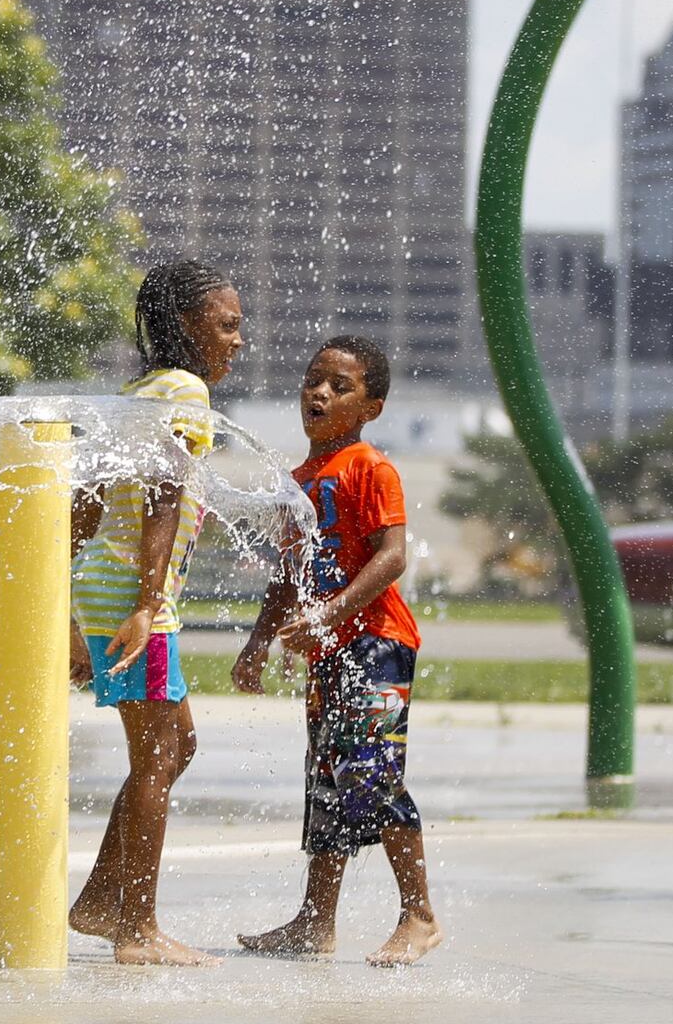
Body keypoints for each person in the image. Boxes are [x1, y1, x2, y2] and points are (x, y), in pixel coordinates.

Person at [232, 334, 443, 968]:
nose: (318, 393)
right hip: (328, 653)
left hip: (378, 644)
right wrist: (258, 640)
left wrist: (327, 612)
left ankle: (420, 915)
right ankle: (314, 923)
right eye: (312, 380)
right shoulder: (298, 481)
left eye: (339, 386)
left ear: (370, 407)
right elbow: (287, 571)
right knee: (326, 781)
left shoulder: (370, 468)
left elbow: (393, 556)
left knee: (372, 774)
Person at [67, 258, 243, 966]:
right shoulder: (186, 392)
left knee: (178, 746)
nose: (237, 339)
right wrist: (145, 605)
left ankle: (101, 900)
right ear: (186, 324)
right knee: (161, 753)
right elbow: (167, 494)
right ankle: (135, 929)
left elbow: (85, 501)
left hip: (103, 590)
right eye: (227, 325)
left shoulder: (138, 390)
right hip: (134, 598)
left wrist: (75, 612)